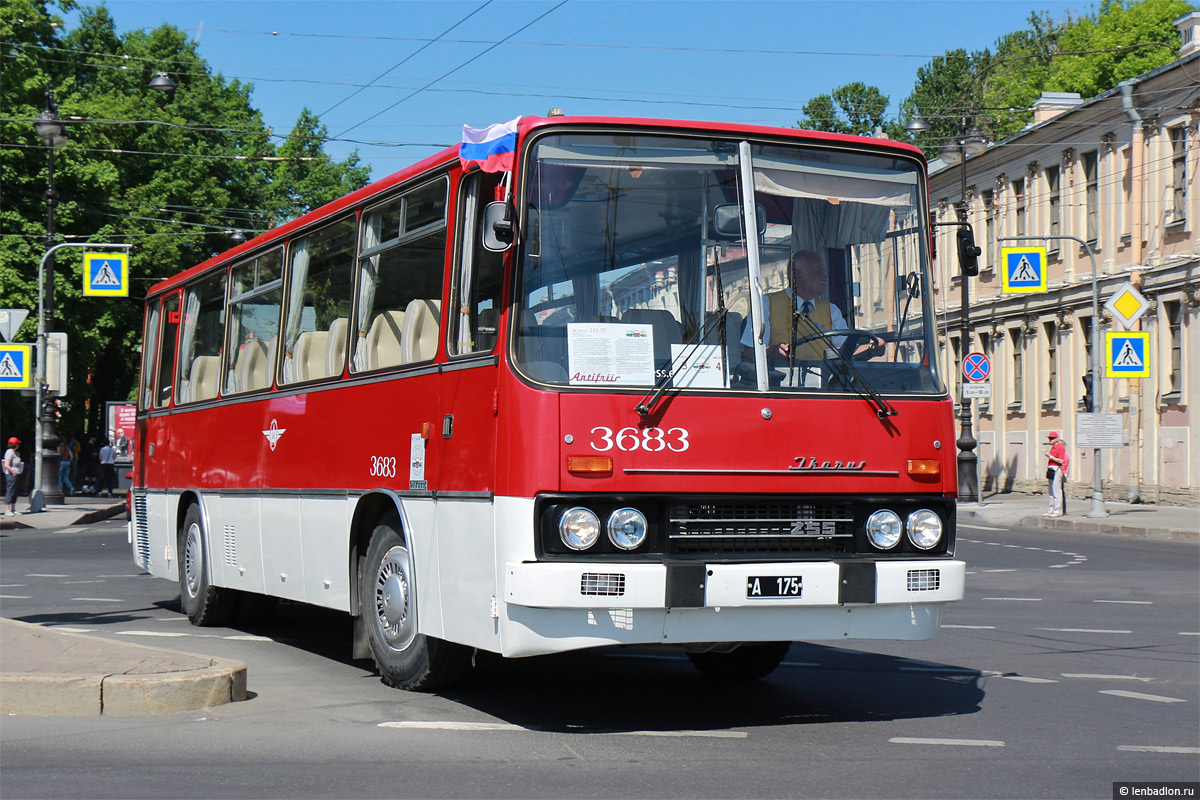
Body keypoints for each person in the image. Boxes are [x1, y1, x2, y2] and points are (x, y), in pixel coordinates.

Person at [739, 250, 884, 377]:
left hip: (824, 386)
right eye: (818, 273)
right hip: (782, 386)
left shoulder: (831, 310)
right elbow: (750, 355)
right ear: (798, 276)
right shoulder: (767, 303)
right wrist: (773, 352)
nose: (825, 278)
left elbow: (847, 352)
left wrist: (873, 349)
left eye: (824, 273)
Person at [1044, 431, 1069, 517]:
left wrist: (1050, 456)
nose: (1050, 440)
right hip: (1051, 467)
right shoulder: (1053, 447)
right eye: (1049, 438)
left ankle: (1058, 510)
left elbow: (1061, 460)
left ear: (1057, 439)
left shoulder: (1060, 447)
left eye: (1052, 438)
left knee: (1056, 490)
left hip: (1057, 468)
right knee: (1051, 490)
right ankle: (1051, 509)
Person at [4, 436, 24, 516]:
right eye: (18, 444)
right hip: (11, 475)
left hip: (17, 474)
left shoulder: (16, 453)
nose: (19, 445)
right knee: (10, 490)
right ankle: (7, 509)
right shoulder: (9, 452)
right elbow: (6, 465)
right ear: (15, 444)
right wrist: (13, 472)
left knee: (15, 491)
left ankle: (13, 508)